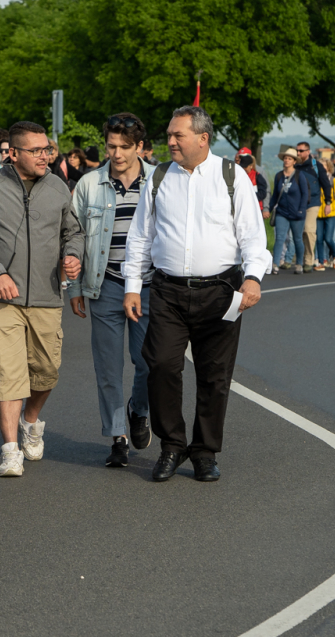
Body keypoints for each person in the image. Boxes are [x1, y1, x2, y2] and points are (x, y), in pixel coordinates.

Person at [123, 106, 269, 483]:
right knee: (160, 366)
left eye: (178, 135)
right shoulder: (158, 178)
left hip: (221, 291)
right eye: (169, 135)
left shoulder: (232, 176)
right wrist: (133, 286)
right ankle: (172, 446)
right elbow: (140, 236)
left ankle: (205, 452)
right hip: (167, 291)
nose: (170, 141)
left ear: (202, 139)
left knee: (214, 375)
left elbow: (252, 235)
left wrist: (253, 277)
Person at [0, 121, 84, 477]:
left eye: (47, 150)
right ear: (13, 153)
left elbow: (73, 232)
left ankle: (31, 420)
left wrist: (73, 256)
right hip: (3, 299)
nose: (44, 156)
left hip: (47, 295)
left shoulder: (57, 187)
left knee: (47, 372)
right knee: (7, 371)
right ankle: (10, 450)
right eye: (36, 150)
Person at [68, 113, 154, 467]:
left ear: (140, 147)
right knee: (108, 367)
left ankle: (139, 409)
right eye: (111, 146)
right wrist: (74, 287)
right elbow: (73, 235)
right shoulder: (89, 184)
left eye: (124, 147)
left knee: (148, 361)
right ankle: (118, 436)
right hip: (104, 285)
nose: (116, 154)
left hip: (148, 286)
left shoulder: (159, 181)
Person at [269, 147, 308, 275]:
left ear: (294, 161)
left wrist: (301, 210)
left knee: (297, 239)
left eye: (289, 159)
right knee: (279, 238)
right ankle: (275, 264)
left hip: (297, 213)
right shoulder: (279, 176)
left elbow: (305, 194)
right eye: (285, 158)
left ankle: (299, 264)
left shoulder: (299, 175)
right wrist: (269, 209)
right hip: (282, 212)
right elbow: (275, 195)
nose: (286, 160)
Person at [295, 142, 332, 273]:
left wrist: (328, 202)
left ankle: (308, 261)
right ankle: (299, 260)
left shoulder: (316, 166)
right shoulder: (295, 166)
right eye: (297, 150)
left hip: (313, 202)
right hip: (297, 203)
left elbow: (326, 184)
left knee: (309, 230)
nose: (298, 153)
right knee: (298, 233)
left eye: (301, 151)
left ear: (308, 152)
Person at [314, 158, 335, 271]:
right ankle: (321, 262)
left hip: (331, 213)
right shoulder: (316, 180)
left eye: (324, 165)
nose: (322, 168)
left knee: (328, 238)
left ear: (329, 167)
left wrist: (330, 207)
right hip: (318, 213)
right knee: (319, 239)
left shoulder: (333, 180)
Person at [237, 152, 269, 220]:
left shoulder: (258, 177)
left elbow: (263, 193)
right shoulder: (238, 177)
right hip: (242, 208)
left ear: (251, 166)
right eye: (242, 167)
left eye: (245, 167)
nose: (243, 169)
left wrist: (249, 197)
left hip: (256, 208)